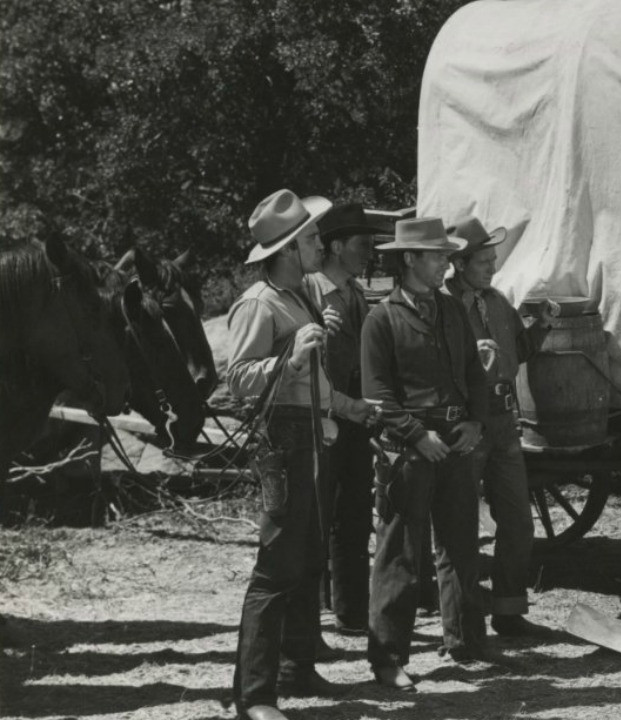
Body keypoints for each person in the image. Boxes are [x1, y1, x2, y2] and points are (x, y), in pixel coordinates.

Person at [226, 189, 377, 720]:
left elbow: (314, 384)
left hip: (316, 435)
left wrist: (352, 409)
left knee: (309, 557)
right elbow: (238, 381)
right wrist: (290, 357)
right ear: (288, 249)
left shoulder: (303, 300)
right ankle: (253, 697)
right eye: (312, 238)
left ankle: (297, 667)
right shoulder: (258, 303)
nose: (320, 245)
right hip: (284, 444)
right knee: (275, 567)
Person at [362, 216, 489, 691]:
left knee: (461, 546)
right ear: (409, 259)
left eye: (446, 255)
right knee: (400, 555)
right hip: (409, 451)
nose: (445, 263)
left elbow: (475, 370)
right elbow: (377, 395)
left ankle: (466, 641)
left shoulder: (452, 309)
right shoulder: (382, 318)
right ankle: (388, 658)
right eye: (436, 255)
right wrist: (416, 435)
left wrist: (475, 421)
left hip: (456, 440)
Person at [443, 215, 558, 636]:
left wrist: (540, 328)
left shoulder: (495, 302)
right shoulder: (444, 306)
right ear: (459, 263)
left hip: (504, 423)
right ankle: (464, 624)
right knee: (459, 528)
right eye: (484, 261)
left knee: (518, 522)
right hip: (467, 423)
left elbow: (519, 352)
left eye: (493, 259)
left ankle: (509, 612)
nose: (492, 267)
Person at [305, 203, 385, 638]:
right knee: (318, 514)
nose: (369, 253)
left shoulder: (354, 292)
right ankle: (313, 611)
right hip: (320, 418)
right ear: (336, 246)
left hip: (355, 417)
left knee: (353, 514)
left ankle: (350, 611)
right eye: (362, 244)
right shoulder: (310, 293)